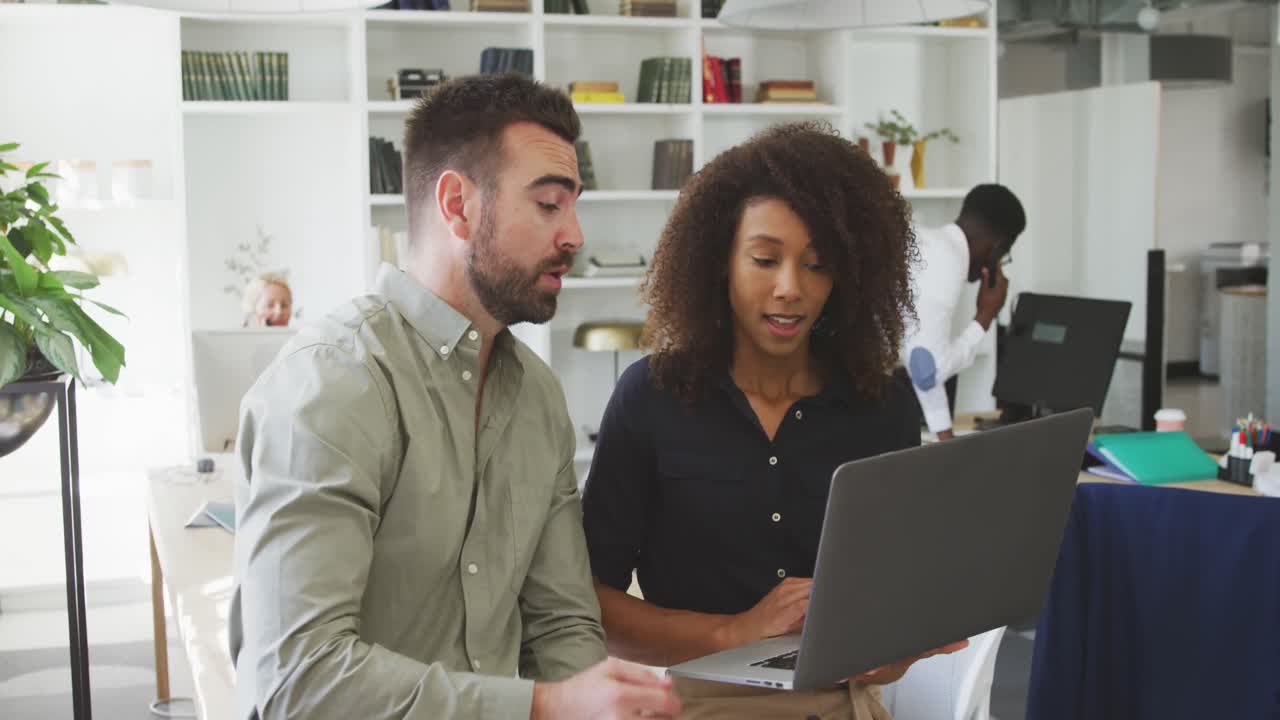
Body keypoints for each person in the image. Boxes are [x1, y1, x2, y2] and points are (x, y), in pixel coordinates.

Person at [229, 74, 680, 720]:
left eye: (574, 204)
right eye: (549, 205)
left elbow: (562, 628)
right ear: (458, 206)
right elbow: (299, 681)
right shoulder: (332, 382)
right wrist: (544, 706)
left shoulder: (538, 400)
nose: (575, 235)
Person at [581, 122, 967, 720]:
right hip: (702, 704)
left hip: (842, 703)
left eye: (817, 266)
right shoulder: (651, 398)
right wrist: (736, 631)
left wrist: (897, 651)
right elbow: (594, 609)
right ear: (720, 262)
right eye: (765, 259)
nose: (790, 288)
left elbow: (894, 600)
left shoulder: (882, 405)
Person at [900, 184, 1026, 439]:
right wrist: (984, 318)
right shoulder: (948, 263)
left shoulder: (932, 246)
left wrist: (947, 439)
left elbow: (920, 353)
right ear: (998, 248)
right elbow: (927, 372)